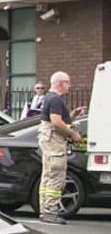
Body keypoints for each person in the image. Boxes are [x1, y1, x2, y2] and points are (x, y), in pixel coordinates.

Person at [37, 71, 85, 225]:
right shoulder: (55, 99)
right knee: (56, 177)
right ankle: (50, 212)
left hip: (49, 141)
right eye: (68, 82)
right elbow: (57, 123)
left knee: (48, 176)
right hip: (54, 143)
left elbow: (59, 120)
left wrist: (73, 114)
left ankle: (45, 210)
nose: (70, 85)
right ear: (60, 83)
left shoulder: (50, 98)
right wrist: (73, 134)